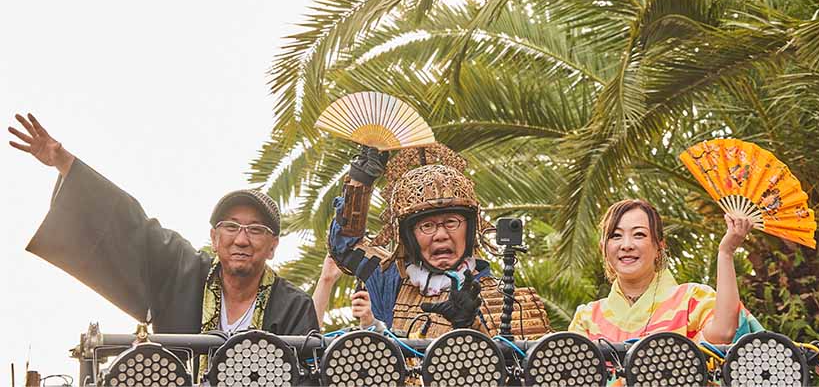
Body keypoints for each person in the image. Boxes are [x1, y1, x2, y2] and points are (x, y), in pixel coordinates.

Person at [9, 113, 319, 337]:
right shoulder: (183, 273)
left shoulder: (293, 306)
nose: (241, 239)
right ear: (213, 238)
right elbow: (130, 223)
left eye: (255, 230)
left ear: (273, 246)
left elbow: (310, 376)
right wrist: (63, 161)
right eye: (231, 227)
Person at [327, 143, 550, 338]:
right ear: (409, 237)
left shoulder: (506, 301)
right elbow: (346, 248)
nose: (441, 235)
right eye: (427, 226)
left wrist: (467, 326)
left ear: (470, 230)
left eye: (451, 222)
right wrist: (360, 181)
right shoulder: (392, 281)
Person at [570, 198, 762, 343]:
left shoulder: (691, 299)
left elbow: (724, 334)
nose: (626, 245)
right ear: (603, 247)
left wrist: (726, 252)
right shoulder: (587, 317)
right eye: (616, 236)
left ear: (659, 246)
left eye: (639, 235)